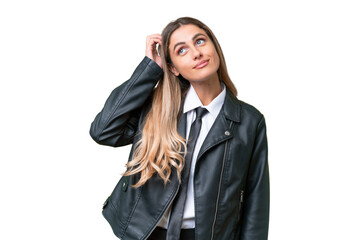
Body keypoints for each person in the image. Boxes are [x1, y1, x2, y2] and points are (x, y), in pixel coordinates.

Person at [90, 17, 269, 240]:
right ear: (173, 68)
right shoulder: (156, 107)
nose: (196, 53)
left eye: (200, 41)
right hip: (146, 233)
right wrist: (149, 70)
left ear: (214, 47)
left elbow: (256, 199)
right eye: (182, 50)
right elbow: (103, 131)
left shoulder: (250, 121)